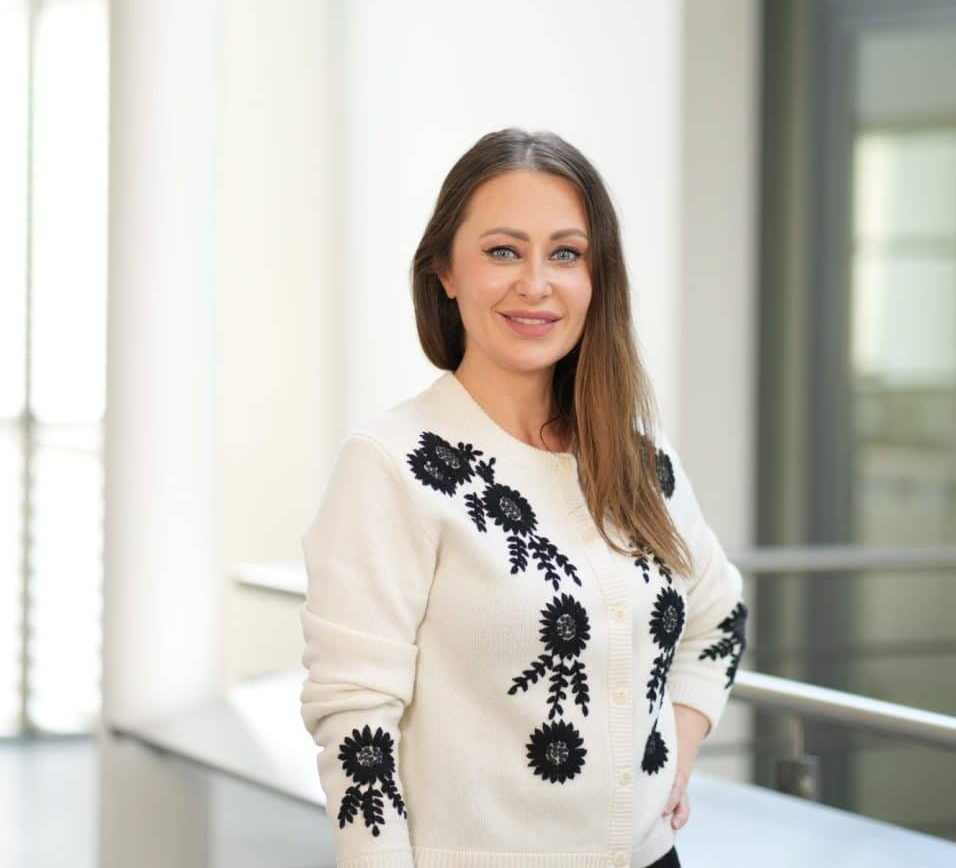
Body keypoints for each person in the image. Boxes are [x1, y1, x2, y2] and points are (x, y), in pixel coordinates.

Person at [298, 127, 748, 868]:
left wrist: (677, 747)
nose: (536, 284)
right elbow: (356, 724)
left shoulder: (639, 458)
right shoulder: (393, 465)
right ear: (445, 270)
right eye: (503, 250)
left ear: (597, 277)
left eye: (566, 254)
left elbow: (719, 615)